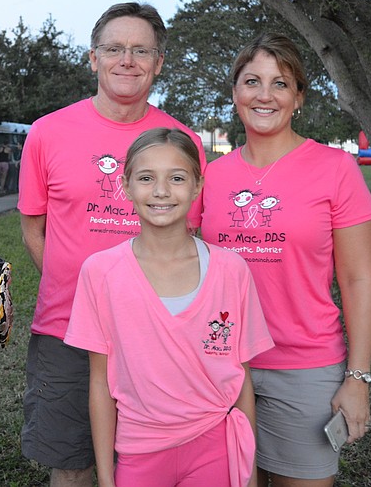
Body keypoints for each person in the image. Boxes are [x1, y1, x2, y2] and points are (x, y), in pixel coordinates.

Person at [18, 2, 207, 487]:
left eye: (141, 50)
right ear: (92, 57)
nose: (127, 60)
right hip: (68, 330)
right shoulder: (48, 133)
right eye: (115, 48)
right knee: (75, 464)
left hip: (158, 332)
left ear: (159, 62)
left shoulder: (183, 139)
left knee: (152, 462)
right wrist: (83, 290)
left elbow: (191, 234)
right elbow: (34, 228)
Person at [201, 33, 371, 487]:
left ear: (298, 97)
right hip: (218, 365)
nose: (264, 95)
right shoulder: (209, 176)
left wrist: (357, 378)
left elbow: (358, 280)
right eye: (252, 81)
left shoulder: (335, 169)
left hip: (304, 367)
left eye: (279, 84)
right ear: (235, 93)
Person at [65, 128, 274, 487]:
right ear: (126, 186)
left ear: (197, 187)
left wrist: (249, 473)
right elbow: (100, 384)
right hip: (139, 451)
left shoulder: (231, 270)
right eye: (147, 178)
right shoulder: (99, 272)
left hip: (216, 447)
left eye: (177, 178)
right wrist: (105, 477)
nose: (161, 191)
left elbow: (242, 379)